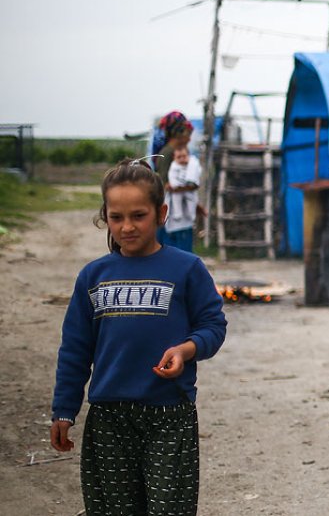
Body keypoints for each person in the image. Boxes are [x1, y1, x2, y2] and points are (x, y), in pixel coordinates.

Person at [51, 159, 227, 515]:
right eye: (117, 217)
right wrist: (64, 409)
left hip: (168, 414)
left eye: (138, 215)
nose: (127, 226)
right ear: (106, 216)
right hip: (109, 418)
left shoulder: (187, 269)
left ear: (161, 213)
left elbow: (213, 325)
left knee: (169, 509)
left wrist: (186, 349)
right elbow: (75, 348)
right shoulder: (93, 276)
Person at [151, 111, 206, 243]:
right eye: (188, 133)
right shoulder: (167, 154)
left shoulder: (179, 153)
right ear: (178, 132)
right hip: (171, 217)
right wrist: (191, 186)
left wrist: (195, 204)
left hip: (181, 216)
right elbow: (166, 186)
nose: (189, 137)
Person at [165, 146, 203, 252]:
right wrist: (176, 186)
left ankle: (191, 214)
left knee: (191, 201)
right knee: (177, 200)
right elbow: (171, 178)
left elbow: (195, 181)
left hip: (188, 192)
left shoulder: (193, 165)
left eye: (184, 156)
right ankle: (178, 213)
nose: (182, 159)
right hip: (176, 189)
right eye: (179, 157)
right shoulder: (174, 166)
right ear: (174, 158)